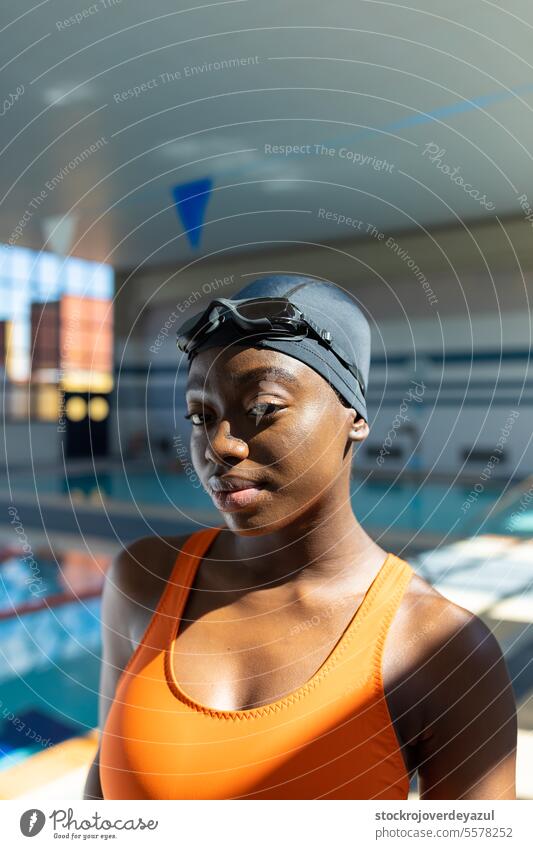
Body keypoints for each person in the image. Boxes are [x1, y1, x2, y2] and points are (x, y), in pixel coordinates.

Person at [84, 275, 517, 800]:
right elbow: (101, 801)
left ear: (354, 417)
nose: (219, 446)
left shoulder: (437, 648)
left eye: (262, 407)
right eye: (201, 416)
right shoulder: (144, 580)